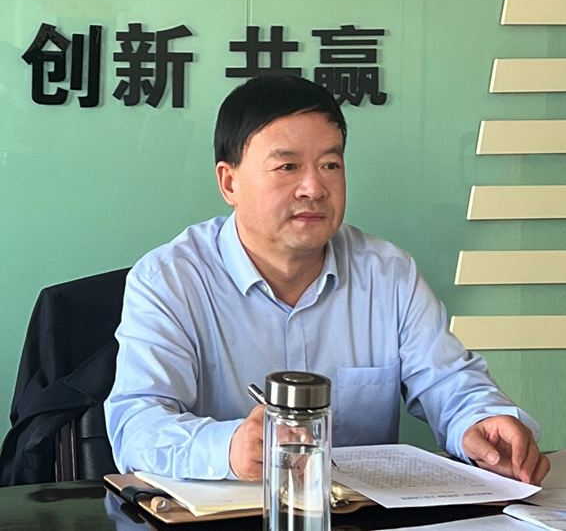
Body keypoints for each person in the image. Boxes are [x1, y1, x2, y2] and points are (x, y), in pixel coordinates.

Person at [105, 75, 549, 485]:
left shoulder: (388, 274)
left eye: (330, 165)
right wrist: (228, 448)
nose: (314, 188)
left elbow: (448, 382)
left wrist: (480, 421)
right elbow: (136, 424)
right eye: (287, 167)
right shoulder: (170, 281)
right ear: (229, 183)